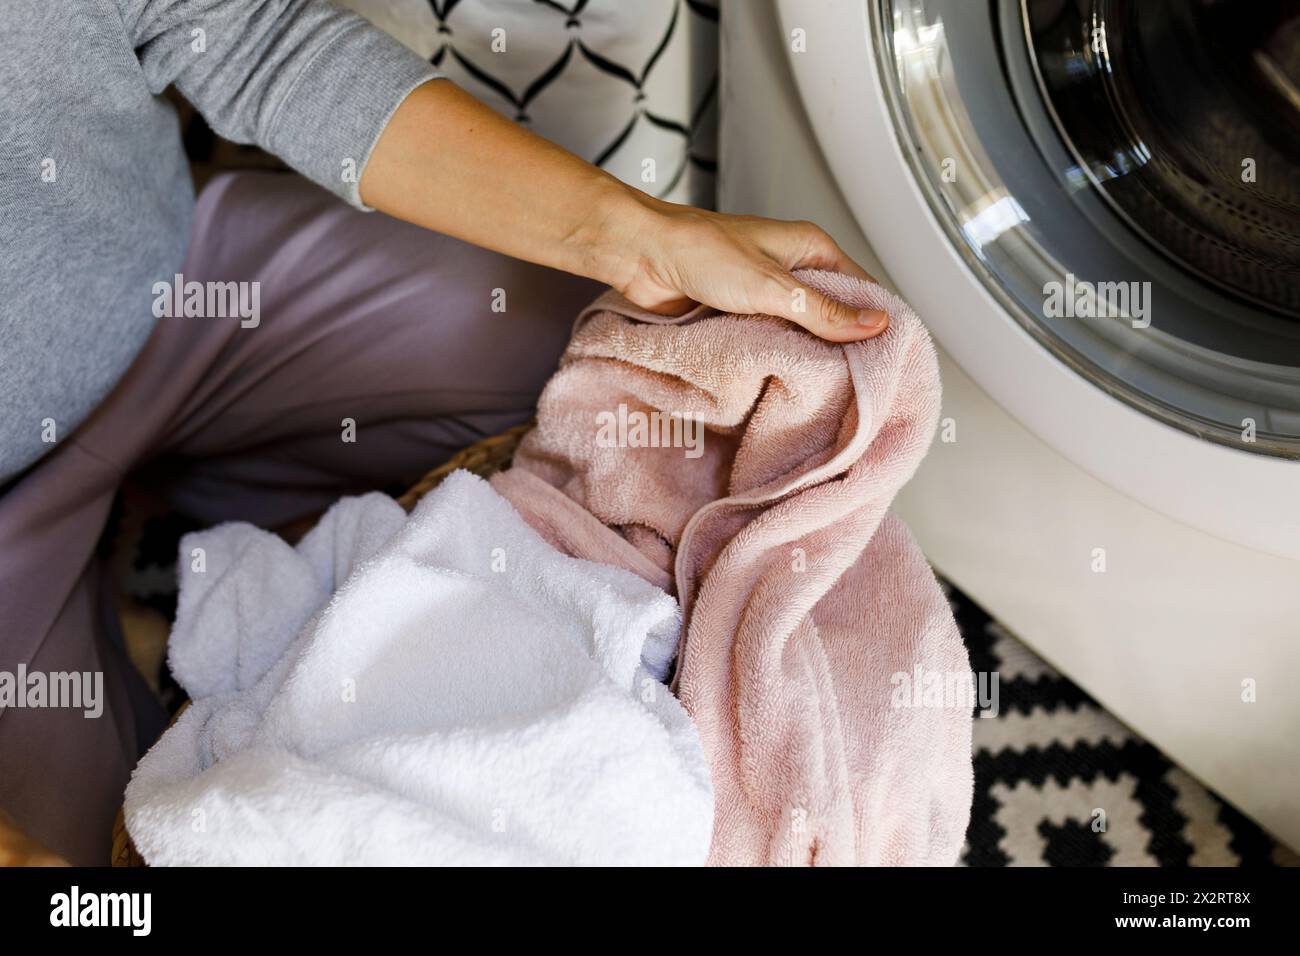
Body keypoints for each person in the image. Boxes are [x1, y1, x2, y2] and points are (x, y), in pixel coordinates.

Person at [0, 0, 885, 864]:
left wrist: (638, 239)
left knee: (636, 357)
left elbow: (247, 31)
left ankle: (208, 525)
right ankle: (132, 589)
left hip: (179, 293)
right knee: (140, 857)